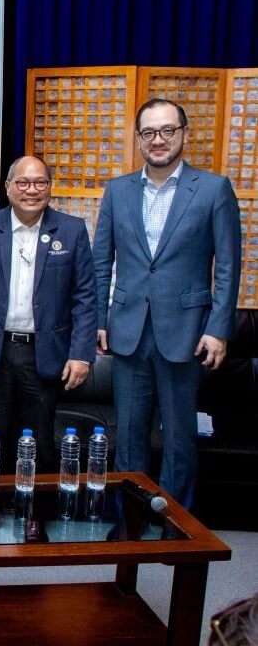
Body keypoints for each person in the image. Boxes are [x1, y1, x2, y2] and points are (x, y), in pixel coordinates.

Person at [93, 99, 241, 509]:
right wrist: (99, 320)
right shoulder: (118, 190)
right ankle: (129, 522)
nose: (158, 140)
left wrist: (218, 328)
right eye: (149, 132)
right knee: (129, 436)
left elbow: (229, 266)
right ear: (138, 139)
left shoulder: (213, 189)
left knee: (179, 438)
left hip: (187, 333)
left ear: (184, 134)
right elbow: (101, 261)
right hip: (128, 331)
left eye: (167, 131)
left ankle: (176, 527)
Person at [0, 156, 96, 475]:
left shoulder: (72, 231)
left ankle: (32, 518)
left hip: (44, 355)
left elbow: (86, 297)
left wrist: (81, 354)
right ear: (8, 188)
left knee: (37, 445)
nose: (31, 190)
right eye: (22, 182)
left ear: (49, 188)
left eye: (40, 183)